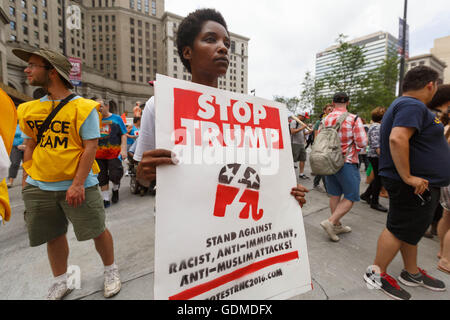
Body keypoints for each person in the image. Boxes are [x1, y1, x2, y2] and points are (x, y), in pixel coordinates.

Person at [134, 8, 308, 209]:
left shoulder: (249, 113)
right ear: (187, 51)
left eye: (226, 43)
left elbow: (262, 176)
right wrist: (143, 174)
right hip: (183, 225)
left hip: (235, 227)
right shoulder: (160, 104)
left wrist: (288, 194)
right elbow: (144, 181)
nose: (223, 48)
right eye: (210, 39)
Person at [13, 48, 121, 300]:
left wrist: (78, 184)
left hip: (79, 186)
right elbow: (30, 144)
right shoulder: (28, 110)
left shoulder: (84, 108)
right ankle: (62, 281)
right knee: (53, 236)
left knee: (97, 230)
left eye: (32, 65)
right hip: (40, 186)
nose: (27, 70)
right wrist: (27, 177)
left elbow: (90, 147)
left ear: (52, 72)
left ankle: (111, 271)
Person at [364, 66, 450, 300]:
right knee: (399, 228)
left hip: (418, 183)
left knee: (409, 230)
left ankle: (410, 273)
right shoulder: (412, 105)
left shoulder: (409, 106)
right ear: (431, 85)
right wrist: (408, 177)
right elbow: (397, 138)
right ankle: (376, 274)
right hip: (413, 184)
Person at [319, 92, 368, 242]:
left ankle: (337, 225)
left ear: (332, 103)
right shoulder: (353, 119)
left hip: (329, 161)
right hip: (346, 161)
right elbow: (362, 143)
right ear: (348, 102)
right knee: (351, 196)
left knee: (335, 194)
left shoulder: (326, 119)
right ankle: (331, 222)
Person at [427, 84, 450, 273]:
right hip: (444, 176)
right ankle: (446, 259)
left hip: (444, 177)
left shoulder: (444, 127)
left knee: (446, 215)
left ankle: (443, 251)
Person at [94, 98, 128, 208]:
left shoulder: (117, 119)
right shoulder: (93, 119)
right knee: (101, 177)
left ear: (107, 106)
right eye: (96, 107)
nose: (98, 109)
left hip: (114, 154)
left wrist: (123, 150)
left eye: (100, 106)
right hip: (98, 155)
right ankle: (105, 199)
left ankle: (115, 189)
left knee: (115, 175)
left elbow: (123, 134)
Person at [360, 107, 388, 212]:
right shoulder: (377, 127)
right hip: (376, 156)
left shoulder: (376, 126)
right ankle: (374, 202)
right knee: (379, 179)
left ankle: (366, 195)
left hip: (375, 156)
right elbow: (377, 145)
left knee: (378, 178)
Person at [312, 104, 334, 192]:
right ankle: (327, 187)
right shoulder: (319, 122)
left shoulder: (334, 121)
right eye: (329, 109)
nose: (331, 111)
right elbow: (316, 135)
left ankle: (316, 182)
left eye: (333, 109)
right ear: (324, 111)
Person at [290, 111, 312, 180]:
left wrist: (309, 132)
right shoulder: (294, 122)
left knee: (303, 159)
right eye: (304, 117)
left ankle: (301, 174)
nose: (305, 119)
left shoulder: (301, 123)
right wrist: (302, 127)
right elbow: (292, 132)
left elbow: (303, 133)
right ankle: (290, 175)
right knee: (293, 160)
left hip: (301, 143)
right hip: (294, 143)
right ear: (301, 116)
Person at [7, 122, 25, 188]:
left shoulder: (24, 122)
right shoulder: (12, 123)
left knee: (27, 164)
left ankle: (27, 182)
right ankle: (10, 181)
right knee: (14, 163)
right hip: (15, 146)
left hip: (26, 146)